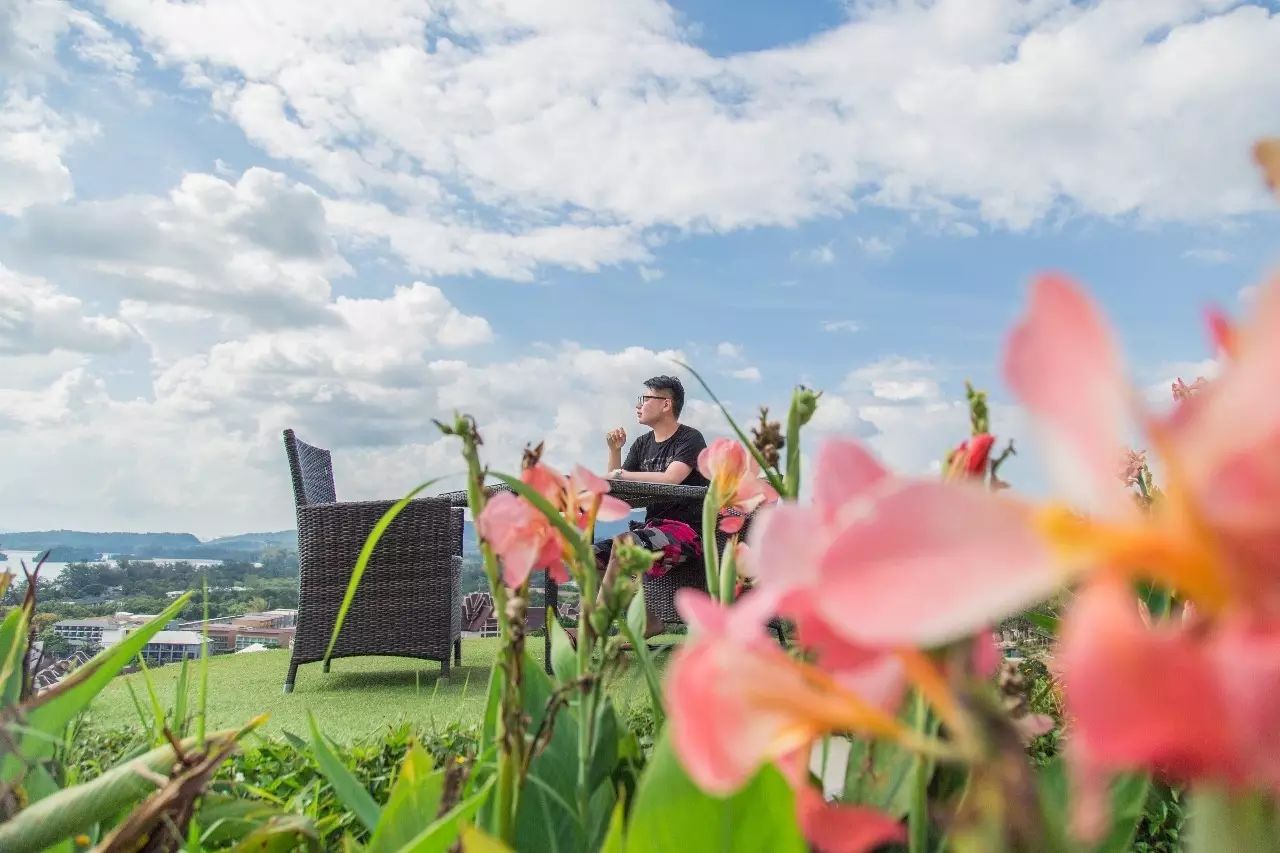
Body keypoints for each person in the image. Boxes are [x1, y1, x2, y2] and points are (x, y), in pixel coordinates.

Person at [596, 375, 708, 638]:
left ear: (666, 404)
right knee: (588, 556)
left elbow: (672, 478)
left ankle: (591, 630)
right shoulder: (642, 444)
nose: (639, 405)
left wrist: (621, 474)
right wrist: (615, 451)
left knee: (624, 544)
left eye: (645, 399)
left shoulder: (690, 439)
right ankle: (648, 621)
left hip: (686, 533)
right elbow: (616, 489)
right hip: (651, 530)